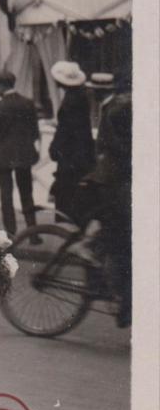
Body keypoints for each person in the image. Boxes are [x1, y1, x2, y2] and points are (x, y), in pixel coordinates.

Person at [90, 73, 131, 328]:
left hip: (109, 176)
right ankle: (119, 301)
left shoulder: (113, 107)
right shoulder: (117, 108)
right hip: (112, 181)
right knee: (119, 241)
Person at [0, 69, 40, 235]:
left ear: (0, 86)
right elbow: (34, 131)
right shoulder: (28, 103)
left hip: (3, 155)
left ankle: (11, 232)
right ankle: (32, 231)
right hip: (24, 154)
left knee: (6, 194)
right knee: (27, 192)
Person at [48, 61, 95, 223]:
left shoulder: (71, 101)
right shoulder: (79, 96)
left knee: (66, 194)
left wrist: (54, 148)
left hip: (71, 157)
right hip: (80, 154)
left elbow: (66, 131)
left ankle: (65, 229)